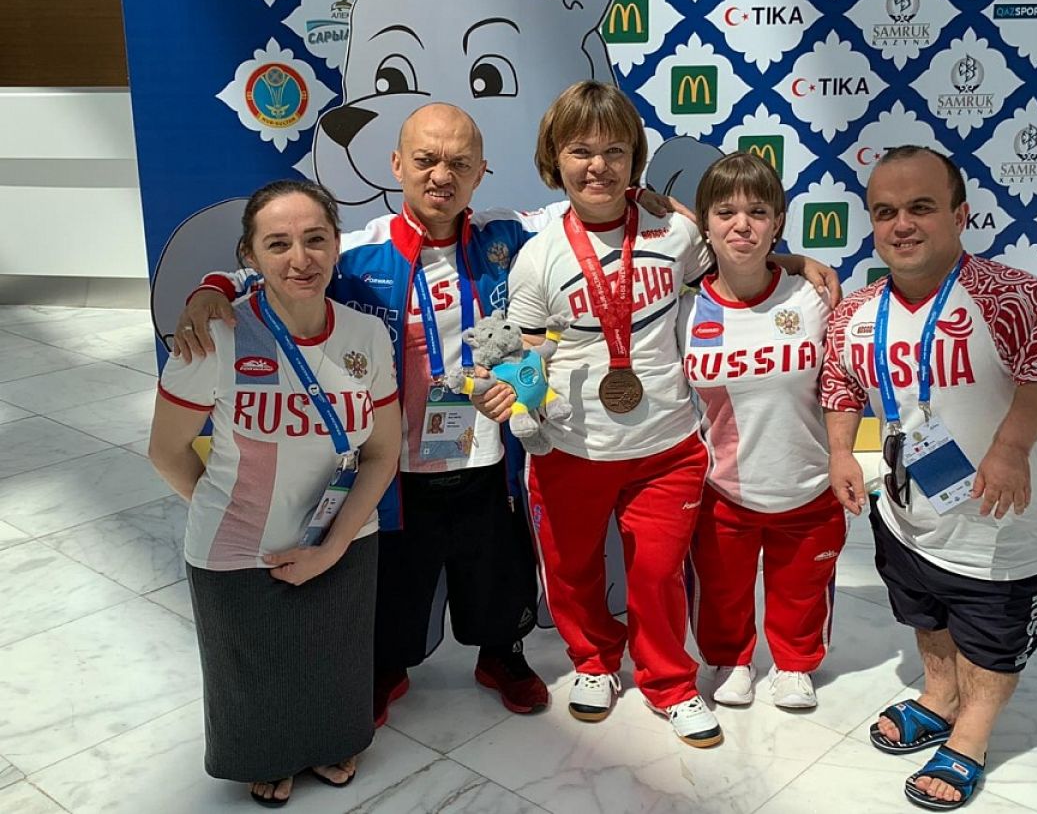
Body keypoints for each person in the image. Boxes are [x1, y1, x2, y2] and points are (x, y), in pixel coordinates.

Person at [174, 104, 557, 726]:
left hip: (487, 455)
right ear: (397, 165)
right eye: (426, 160)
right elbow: (263, 271)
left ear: (481, 171)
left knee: (495, 568)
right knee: (396, 580)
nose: (442, 175)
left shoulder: (507, 237)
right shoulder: (355, 251)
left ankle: (502, 655)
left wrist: (650, 200)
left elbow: (584, 215)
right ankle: (386, 668)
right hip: (395, 460)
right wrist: (210, 289)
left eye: (459, 163)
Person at [499, 82, 838, 746]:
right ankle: (593, 662)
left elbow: (738, 257)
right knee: (572, 572)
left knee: (656, 575)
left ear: (634, 158)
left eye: (614, 151)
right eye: (580, 151)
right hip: (569, 447)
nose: (598, 166)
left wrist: (794, 260)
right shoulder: (538, 255)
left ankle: (670, 683)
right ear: (553, 159)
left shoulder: (675, 229)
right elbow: (523, 351)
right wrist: (510, 390)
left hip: (667, 446)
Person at [820, 146, 1037, 810]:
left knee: (993, 640)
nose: (902, 225)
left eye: (921, 207)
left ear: (960, 214)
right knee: (924, 611)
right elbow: (841, 385)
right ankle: (939, 697)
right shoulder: (856, 312)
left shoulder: (1015, 295)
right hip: (905, 515)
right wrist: (841, 453)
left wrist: (1011, 447)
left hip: (998, 524)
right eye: (885, 211)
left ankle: (970, 739)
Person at [149, 180, 402, 808]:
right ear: (250, 255)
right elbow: (166, 450)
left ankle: (327, 739)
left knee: (336, 658)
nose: (300, 258)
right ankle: (267, 753)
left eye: (315, 239)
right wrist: (223, 510)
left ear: (337, 245)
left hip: (344, 535)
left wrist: (333, 545)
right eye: (278, 244)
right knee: (252, 672)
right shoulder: (215, 336)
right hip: (237, 547)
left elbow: (381, 452)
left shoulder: (367, 335)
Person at [678, 153, 846, 711]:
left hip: (808, 483)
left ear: (778, 222)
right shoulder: (685, 309)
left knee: (802, 590)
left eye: (757, 211)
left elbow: (843, 384)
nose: (742, 225)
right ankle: (731, 659)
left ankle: (795, 663)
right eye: (725, 212)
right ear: (705, 224)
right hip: (723, 488)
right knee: (721, 591)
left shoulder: (813, 296)